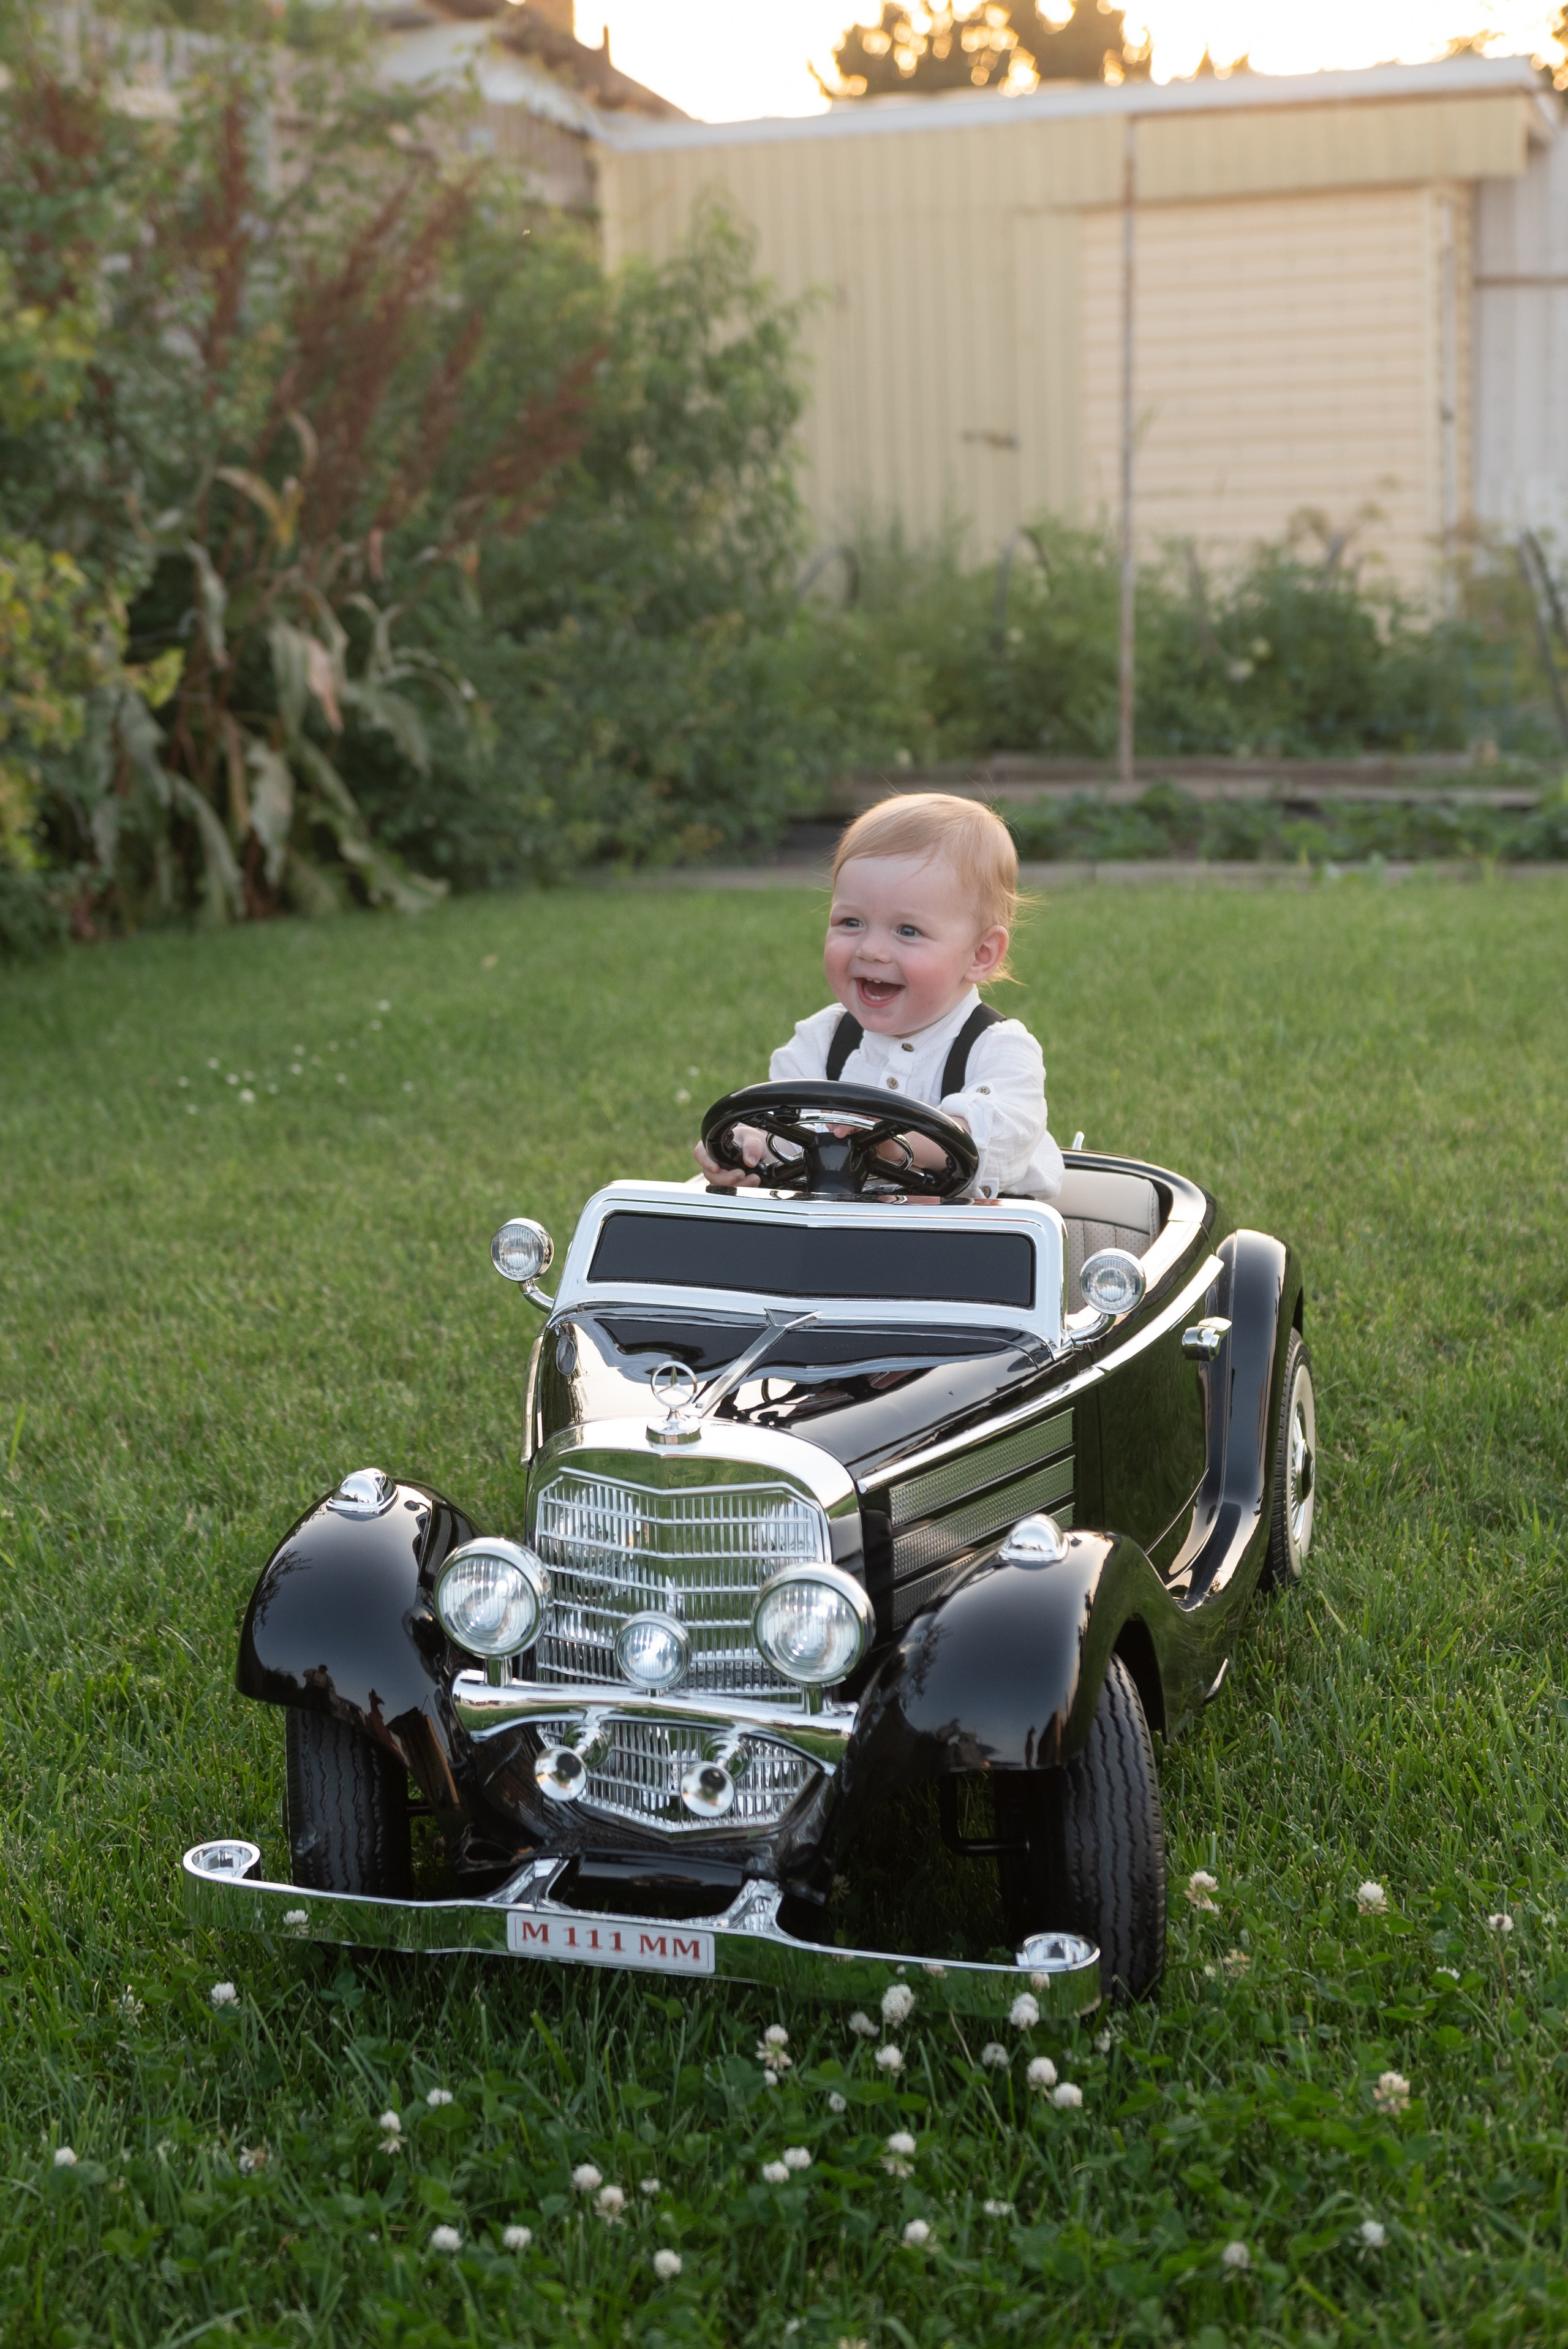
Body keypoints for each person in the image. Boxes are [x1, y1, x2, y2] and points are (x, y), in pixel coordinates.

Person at [693, 792, 1064, 1201]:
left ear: (980, 955)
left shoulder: (1000, 1049)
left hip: (968, 1253)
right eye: (851, 922)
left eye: (907, 930)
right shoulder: (822, 1042)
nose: (870, 950)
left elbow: (998, 1136)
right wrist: (745, 1148)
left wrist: (894, 1142)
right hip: (835, 1245)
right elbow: (780, 1127)